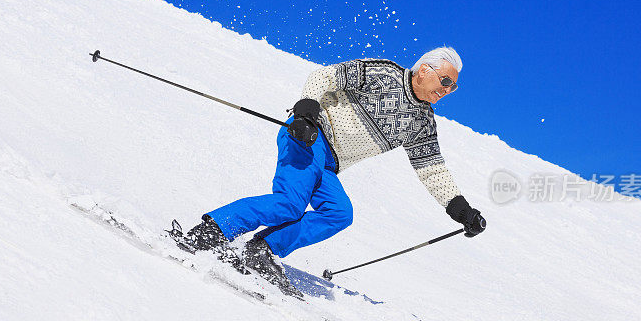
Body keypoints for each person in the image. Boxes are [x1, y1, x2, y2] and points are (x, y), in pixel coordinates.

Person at [183, 46, 486, 288]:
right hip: (309, 135)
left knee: (339, 213)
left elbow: (431, 168)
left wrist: (462, 210)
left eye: (453, 87)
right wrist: (305, 113)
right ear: (423, 71)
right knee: (290, 204)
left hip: (329, 164)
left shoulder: (422, 121)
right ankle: (211, 231)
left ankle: (263, 250)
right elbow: (324, 77)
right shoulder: (384, 73)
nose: (448, 89)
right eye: (445, 81)